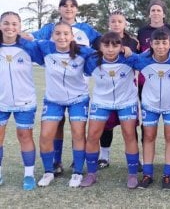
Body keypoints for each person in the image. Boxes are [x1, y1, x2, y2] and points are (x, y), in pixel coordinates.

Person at [22, 0, 101, 175]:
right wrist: (13, 32)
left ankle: (77, 164)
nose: (68, 9)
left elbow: (104, 43)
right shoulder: (49, 29)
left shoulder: (86, 29)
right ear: (59, 9)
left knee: (77, 130)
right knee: (55, 126)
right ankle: (55, 163)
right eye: (64, 6)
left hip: (78, 85)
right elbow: (31, 38)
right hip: (55, 88)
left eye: (72, 6)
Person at [36, 22, 94, 188]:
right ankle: (49, 171)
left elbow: (102, 52)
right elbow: (27, 42)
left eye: (65, 34)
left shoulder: (83, 51)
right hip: (53, 99)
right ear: (53, 36)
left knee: (78, 133)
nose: (62, 37)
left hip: (78, 98)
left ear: (72, 36)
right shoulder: (45, 47)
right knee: (46, 135)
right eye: (58, 34)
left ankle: (77, 172)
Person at [80, 32, 141, 188]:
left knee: (129, 135)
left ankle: (133, 174)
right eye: (106, 45)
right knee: (93, 135)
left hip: (126, 101)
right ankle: (92, 174)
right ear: (100, 47)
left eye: (115, 45)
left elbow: (145, 61)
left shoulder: (130, 59)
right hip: (101, 101)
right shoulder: (92, 61)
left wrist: (131, 51)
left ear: (121, 46)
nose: (110, 49)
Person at [135, 27, 170, 189]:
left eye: (164, 43)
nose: (161, 46)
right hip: (150, 104)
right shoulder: (142, 59)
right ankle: (147, 174)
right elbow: (124, 59)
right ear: (151, 44)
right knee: (149, 136)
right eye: (157, 43)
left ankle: (167, 175)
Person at [0, 11, 44, 190]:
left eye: (14, 24)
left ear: (20, 27)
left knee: (25, 136)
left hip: (24, 101)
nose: (10, 27)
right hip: (1, 101)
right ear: (0, 25)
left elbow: (45, 60)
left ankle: (28, 175)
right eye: (6, 23)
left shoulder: (28, 46)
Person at [97, 10, 140, 169]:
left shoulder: (133, 42)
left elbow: (137, 60)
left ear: (125, 24)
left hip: (126, 90)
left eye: (119, 21)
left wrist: (127, 50)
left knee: (130, 127)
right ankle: (104, 156)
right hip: (106, 90)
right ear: (109, 24)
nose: (116, 24)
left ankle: (136, 159)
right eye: (113, 21)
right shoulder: (101, 40)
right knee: (106, 126)